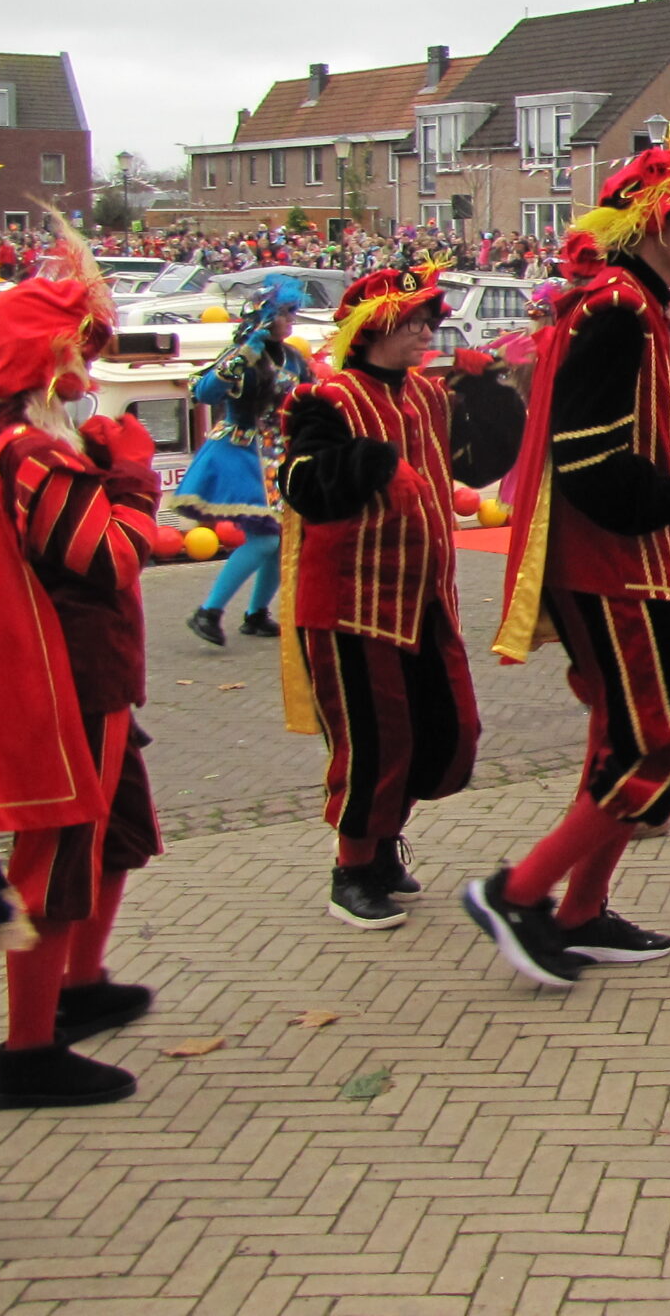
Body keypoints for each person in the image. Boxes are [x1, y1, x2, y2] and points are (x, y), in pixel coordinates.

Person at [470, 124, 670, 989]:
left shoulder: (638, 307)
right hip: (613, 564)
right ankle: (518, 895)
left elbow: (642, 440)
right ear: (659, 222)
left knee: (626, 739)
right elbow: (595, 467)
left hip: (634, 558)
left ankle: (578, 911)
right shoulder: (617, 313)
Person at [0, 245, 166, 1107]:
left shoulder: (3, 437)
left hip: (88, 670)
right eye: (82, 346)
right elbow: (108, 558)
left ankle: (80, 985)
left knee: (116, 832)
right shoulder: (35, 452)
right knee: (62, 854)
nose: (92, 364)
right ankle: (30, 1049)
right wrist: (135, 480)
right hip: (69, 676)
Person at [276, 264, 525, 931]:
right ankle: (353, 868)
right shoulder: (329, 400)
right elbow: (301, 484)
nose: (426, 332)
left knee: (446, 731)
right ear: (374, 329)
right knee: (373, 741)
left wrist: (491, 392)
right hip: (351, 602)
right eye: (412, 321)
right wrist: (373, 464)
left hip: (425, 598)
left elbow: (477, 464)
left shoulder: (428, 395)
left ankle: (383, 844)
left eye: (427, 321)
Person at [174, 273, 314, 646]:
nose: (291, 320)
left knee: (280, 541)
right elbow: (205, 392)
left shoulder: (293, 358)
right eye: (285, 312)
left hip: (276, 455)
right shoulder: (241, 354)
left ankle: (256, 613)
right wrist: (246, 353)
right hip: (239, 452)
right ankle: (208, 611)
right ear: (265, 316)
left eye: (293, 312)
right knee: (265, 538)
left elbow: (308, 397)